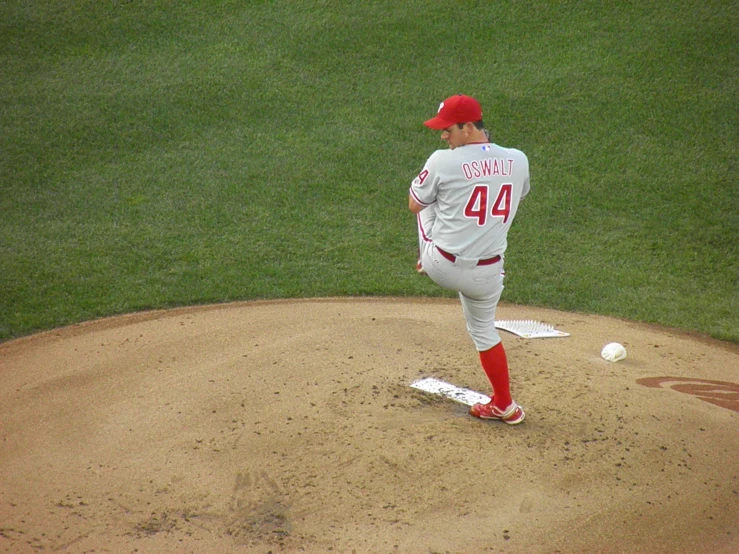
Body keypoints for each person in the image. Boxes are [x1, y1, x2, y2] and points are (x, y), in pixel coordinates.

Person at [408, 94, 530, 424]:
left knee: (428, 201)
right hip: (489, 276)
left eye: (448, 130)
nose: (443, 136)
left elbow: (414, 204)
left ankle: (424, 256)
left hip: (443, 266)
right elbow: (518, 194)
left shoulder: (441, 161)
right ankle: (505, 404)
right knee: (484, 332)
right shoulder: (519, 159)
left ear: (468, 127)